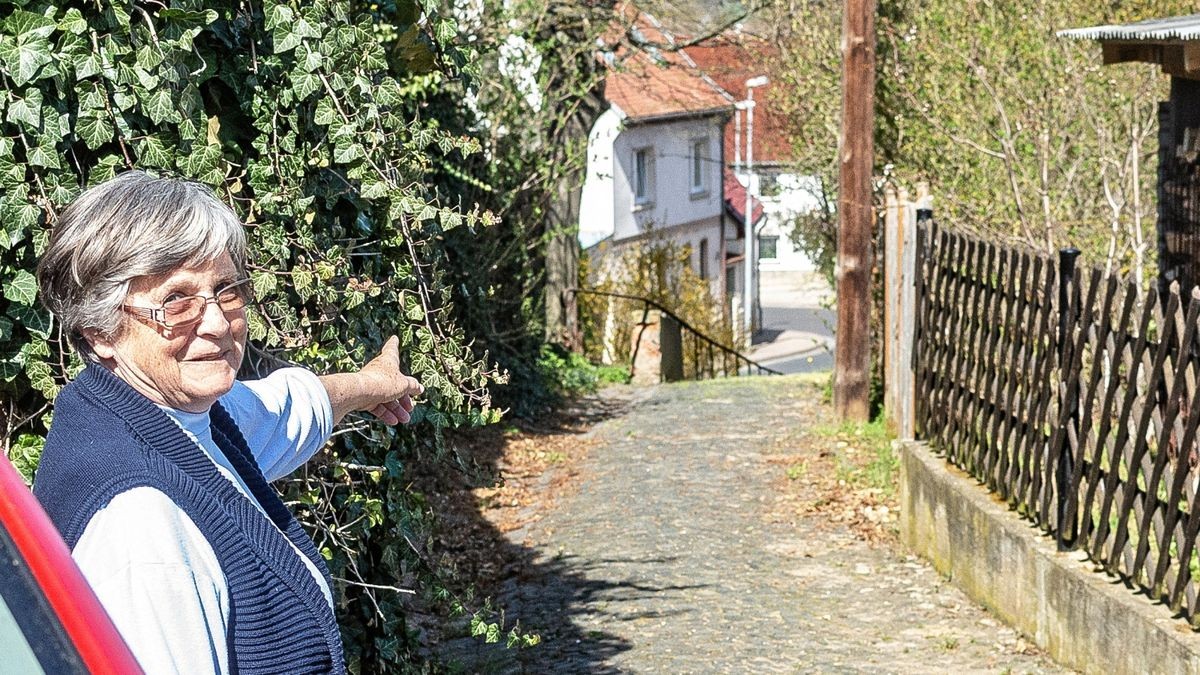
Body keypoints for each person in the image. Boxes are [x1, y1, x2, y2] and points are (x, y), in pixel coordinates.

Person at [32, 170, 422, 674]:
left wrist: (373, 385)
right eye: (175, 300)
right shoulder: (143, 529)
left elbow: (285, 407)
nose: (216, 322)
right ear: (102, 332)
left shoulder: (167, 417)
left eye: (226, 289)